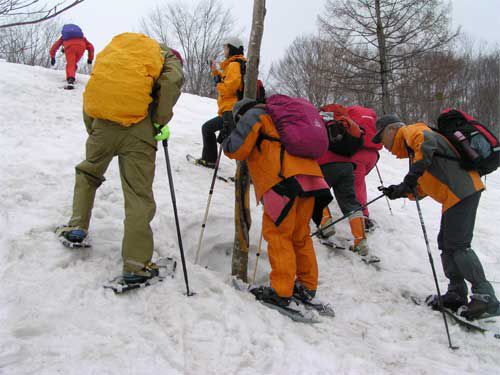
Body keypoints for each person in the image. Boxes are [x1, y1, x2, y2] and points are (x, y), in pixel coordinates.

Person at [56, 33, 184, 283]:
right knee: (138, 195)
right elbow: (170, 83)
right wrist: (159, 121)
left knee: (88, 173)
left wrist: (94, 126)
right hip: (139, 130)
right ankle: (136, 266)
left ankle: (76, 227)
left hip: (101, 124)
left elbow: (96, 87)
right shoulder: (167, 57)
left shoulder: (118, 50)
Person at [373, 114, 499, 319]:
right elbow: (422, 186)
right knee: (447, 244)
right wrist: (400, 191)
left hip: (462, 191)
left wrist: (410, 178)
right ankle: (456, 292)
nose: (382, 145)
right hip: (455, 195)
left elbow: (427, 142)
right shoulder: (415, 154)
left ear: (391, 130)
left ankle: (485, 296)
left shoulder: (411, 132)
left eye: (381, 138)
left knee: (458, 245)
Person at [222, 98, 332, 309]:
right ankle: (307, 287)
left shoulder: (254, 116)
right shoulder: (280, 118)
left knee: (278, 235)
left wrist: (227, 135)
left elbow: (236, 150)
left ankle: (281, 292)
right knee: (300, 236)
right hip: (311, 180)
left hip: (283, 182)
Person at [317, 104, 372, 257]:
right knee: (350, 202)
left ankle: (325, 226)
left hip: (324, 165)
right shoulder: (348, 123)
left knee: (319, 195)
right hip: (347, 167)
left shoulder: (322, 121)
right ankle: (360, 242)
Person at [195, 37, 246, 168]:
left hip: (231, 111)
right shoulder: (232, 65)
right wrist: (214, 71)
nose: (224, 50)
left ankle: (245, 175)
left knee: (235, 143)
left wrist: (218, 84)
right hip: (229, 110)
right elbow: (226, 81)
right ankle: (210, 160)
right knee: (208, 129)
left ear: (231, 48)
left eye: (225, 47)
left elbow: (230, 88)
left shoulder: (234, 65)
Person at [347, 106, 382, 232]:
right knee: (359, 183)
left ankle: (363, 216)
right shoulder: (371, 115)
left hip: (358, 154)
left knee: (357, 185)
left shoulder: (348, 114)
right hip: (373, 155)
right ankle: (360, 211)